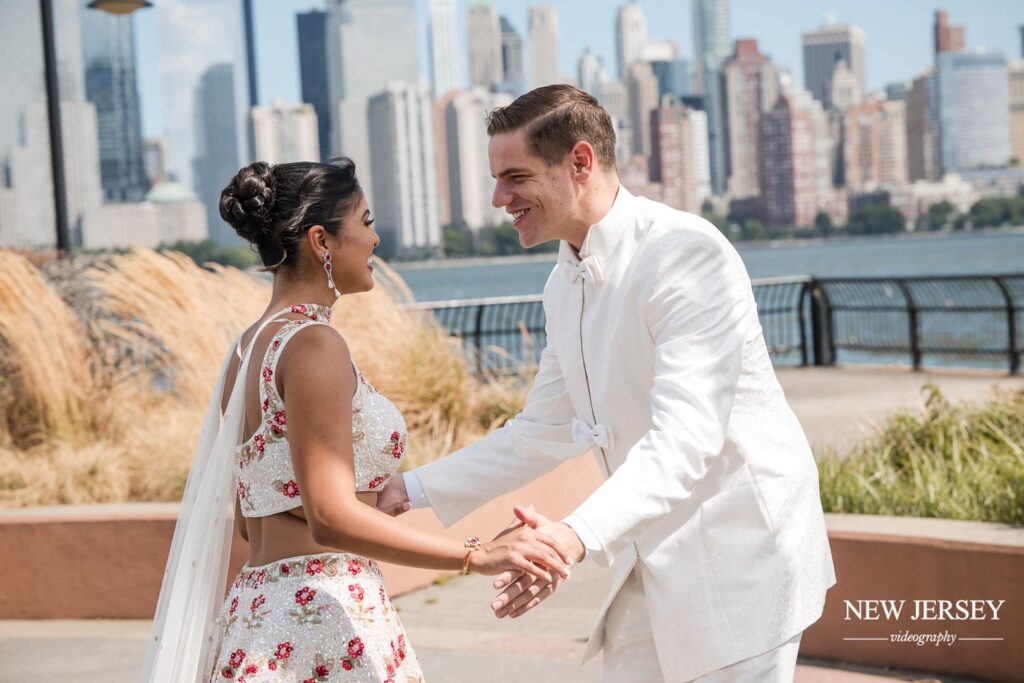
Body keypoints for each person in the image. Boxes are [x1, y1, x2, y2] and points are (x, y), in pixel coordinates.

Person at [377, 86, 836, 682]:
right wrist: (404, 491)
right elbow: (540, 433)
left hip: (739, 556)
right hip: (643, 560)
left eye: (514, 177)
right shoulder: (561, 284)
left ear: (580, 162)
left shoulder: (685, 253)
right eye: (496, 180)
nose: (498, 198)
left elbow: (683, 442)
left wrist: (570, 538)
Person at [140, 158, 571, 683]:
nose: (375, 240)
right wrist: (475, 554)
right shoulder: (313, 345)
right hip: (321, 619)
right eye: (365, 222)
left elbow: (250, 517)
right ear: (322, 241)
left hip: (258, 617)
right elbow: (330, 514)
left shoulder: (248, 347)